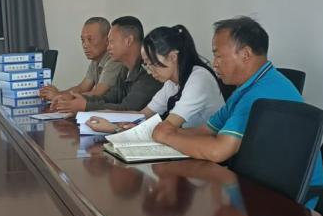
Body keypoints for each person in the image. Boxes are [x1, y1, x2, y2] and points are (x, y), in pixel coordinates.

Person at [150, 16, 323, 203]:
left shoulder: (262, 92)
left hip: (293, 200)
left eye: (219, 55)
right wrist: (169, 131)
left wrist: (167, 137)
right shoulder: (246, 88)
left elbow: (218, 151)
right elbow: (206, 130)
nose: (214, 63)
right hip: (259, 185)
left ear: (245, 54)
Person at [85, 25, 225, 134]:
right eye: (146, 64)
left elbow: (167, 128)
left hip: (205, 152)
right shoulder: (171, 83)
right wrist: (105, 115)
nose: (149, 71)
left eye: (152, 63)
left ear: (172, 57)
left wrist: (115, 128)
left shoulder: (198, 78)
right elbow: (143, 115)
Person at [54, 16, 162, 113]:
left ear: (128, 41)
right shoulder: (125, 69)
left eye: (111, 41)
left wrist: (86, 106)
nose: (108, 47)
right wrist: (75, 99)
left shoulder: (149, 70)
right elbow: (109, 99)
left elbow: (128, 109)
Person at [39, 17, 125, 102]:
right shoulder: (95, 61)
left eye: (90, 39)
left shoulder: (114, 60)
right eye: (83, 40)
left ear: (107, 40)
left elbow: (97, 93)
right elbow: (82, 88)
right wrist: (58, 94)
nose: (85, 45)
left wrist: (59, 96)